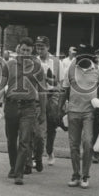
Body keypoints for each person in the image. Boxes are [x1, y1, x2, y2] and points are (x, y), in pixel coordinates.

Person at [0, 37, 45, 185]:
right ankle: (13, 167)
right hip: (11, 105)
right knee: (11, 140)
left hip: (29, 107)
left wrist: (43, 111)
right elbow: (1, 85)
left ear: (32, 51)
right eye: (23, 49)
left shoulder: (37, 67)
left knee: (25, 140)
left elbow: (43, 91)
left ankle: (19, 173)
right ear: (18, 48)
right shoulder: (9, 64)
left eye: (28, 50)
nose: (25, 52)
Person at [61, 46, 99, 188]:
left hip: (89, 112)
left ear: (92, 58)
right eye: (78, 57)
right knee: (74, 145)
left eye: (84, 58)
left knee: (87, 142)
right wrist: (60, 108)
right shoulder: (71, 69)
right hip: (73, 111)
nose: (80, 60)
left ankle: (85, 175)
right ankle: (76, 175)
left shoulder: (98, 70)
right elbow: (65, 90)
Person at [33, 36, 62, 168]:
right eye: (37, 47)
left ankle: (49, 151)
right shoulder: (33, 61)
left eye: (42, 47)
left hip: (52, 95)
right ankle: (36, 155)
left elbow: (60, 83)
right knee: (38, 127)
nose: (39, 49)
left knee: (51, 127)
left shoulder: (56, 62)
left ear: (48, 47)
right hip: (38, 97)